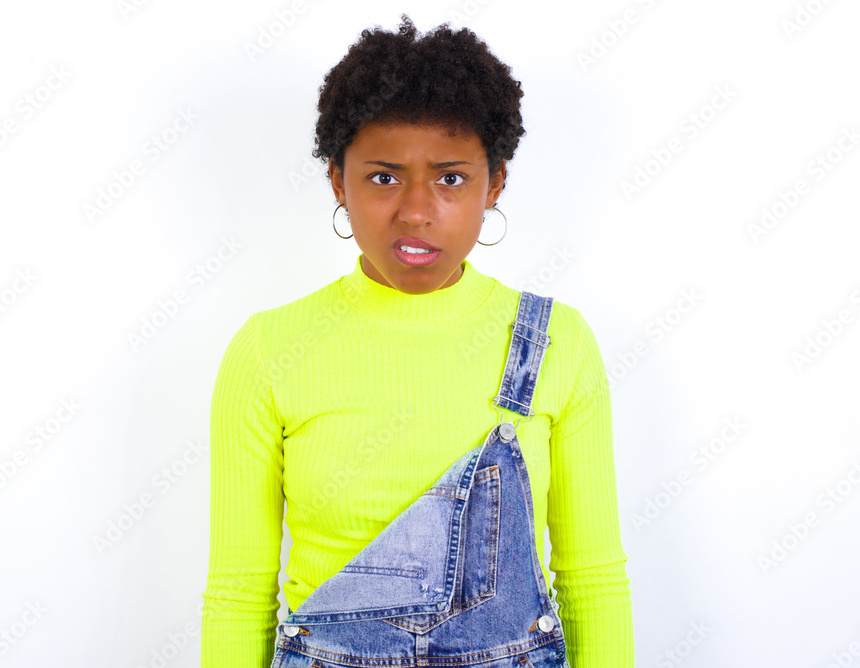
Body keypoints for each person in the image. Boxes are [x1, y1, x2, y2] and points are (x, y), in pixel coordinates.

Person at [201, 14, 633, 667]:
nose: (416, 209)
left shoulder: (555, 344)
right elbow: (238, 593)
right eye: (382, 176)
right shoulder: (268, 351)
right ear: (337, 181)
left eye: (452, 177)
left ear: (496, 182)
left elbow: (593, 578)